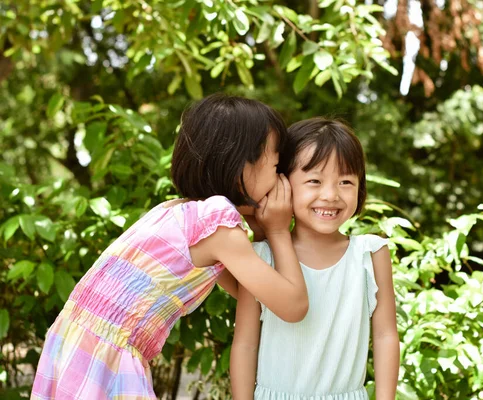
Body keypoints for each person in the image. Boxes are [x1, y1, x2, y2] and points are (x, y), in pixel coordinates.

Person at [31, 94, 309, 399]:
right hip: (107, 359)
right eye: (276, 166)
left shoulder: (178, 213)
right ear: (238, 165)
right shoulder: (219, 226)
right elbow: (291, 306)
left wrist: (258, 231)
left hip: (76, 347)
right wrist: (279, 231)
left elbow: (250, 293)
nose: (280, 179)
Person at [230, 118, 399, 399]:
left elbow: (385, 337)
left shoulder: (370, 254)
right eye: (314, 181)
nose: (331, 195)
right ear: (282, 184)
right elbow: (245, 343)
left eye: (346, 181)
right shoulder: (261, 256)